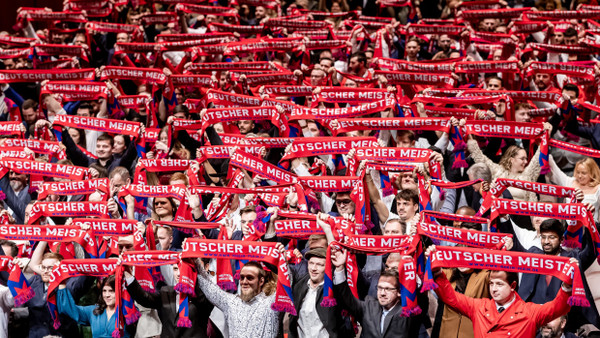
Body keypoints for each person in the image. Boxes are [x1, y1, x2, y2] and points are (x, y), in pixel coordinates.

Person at [425, 246, 574, 338]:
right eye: (491, 284)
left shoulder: (529, 312)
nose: (494, 289)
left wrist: (567, 284)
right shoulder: (479, 307)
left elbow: (557, 308)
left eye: (499, 284)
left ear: (513, 286)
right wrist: (437, 271)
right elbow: (450, 297)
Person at [330, 248, 421, 337]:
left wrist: (410, 269)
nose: (382, 293)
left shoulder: (408, 311)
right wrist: (339, 268)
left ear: (399, 292)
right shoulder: (368, 305)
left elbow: (421, 297)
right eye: (380, 288)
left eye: (388, 289)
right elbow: (346, 298)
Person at [124, 262, 213, 338]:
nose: (178, 273)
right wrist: (128, 275)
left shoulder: (202, 295)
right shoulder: (165, 291)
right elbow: (144, 298)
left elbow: (204, 302)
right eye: (175, 269)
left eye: (183, 269)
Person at [196, 260, 279, 338]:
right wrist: (194, 259)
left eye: (250, 278)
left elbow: (286, 282)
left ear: (261, 281)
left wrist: (283, 261)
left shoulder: (271, 304)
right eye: (242, 277)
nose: (244, 282)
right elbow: (207, 286)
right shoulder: (231, 303)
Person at [288, 247, 352, 338]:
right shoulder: (300, 284)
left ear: (328, 267)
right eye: (311, 263)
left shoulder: (333, 289)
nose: (314, 268)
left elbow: (343, 292)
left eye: (320, 265)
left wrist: (339, 267)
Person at [57, 275, 133, 338]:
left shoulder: (129, 312)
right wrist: (62, 282)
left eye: (111, 291)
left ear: (120, 292)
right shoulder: (94, 311)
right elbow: (69, 309)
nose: (107, 295)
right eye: (104, 291)